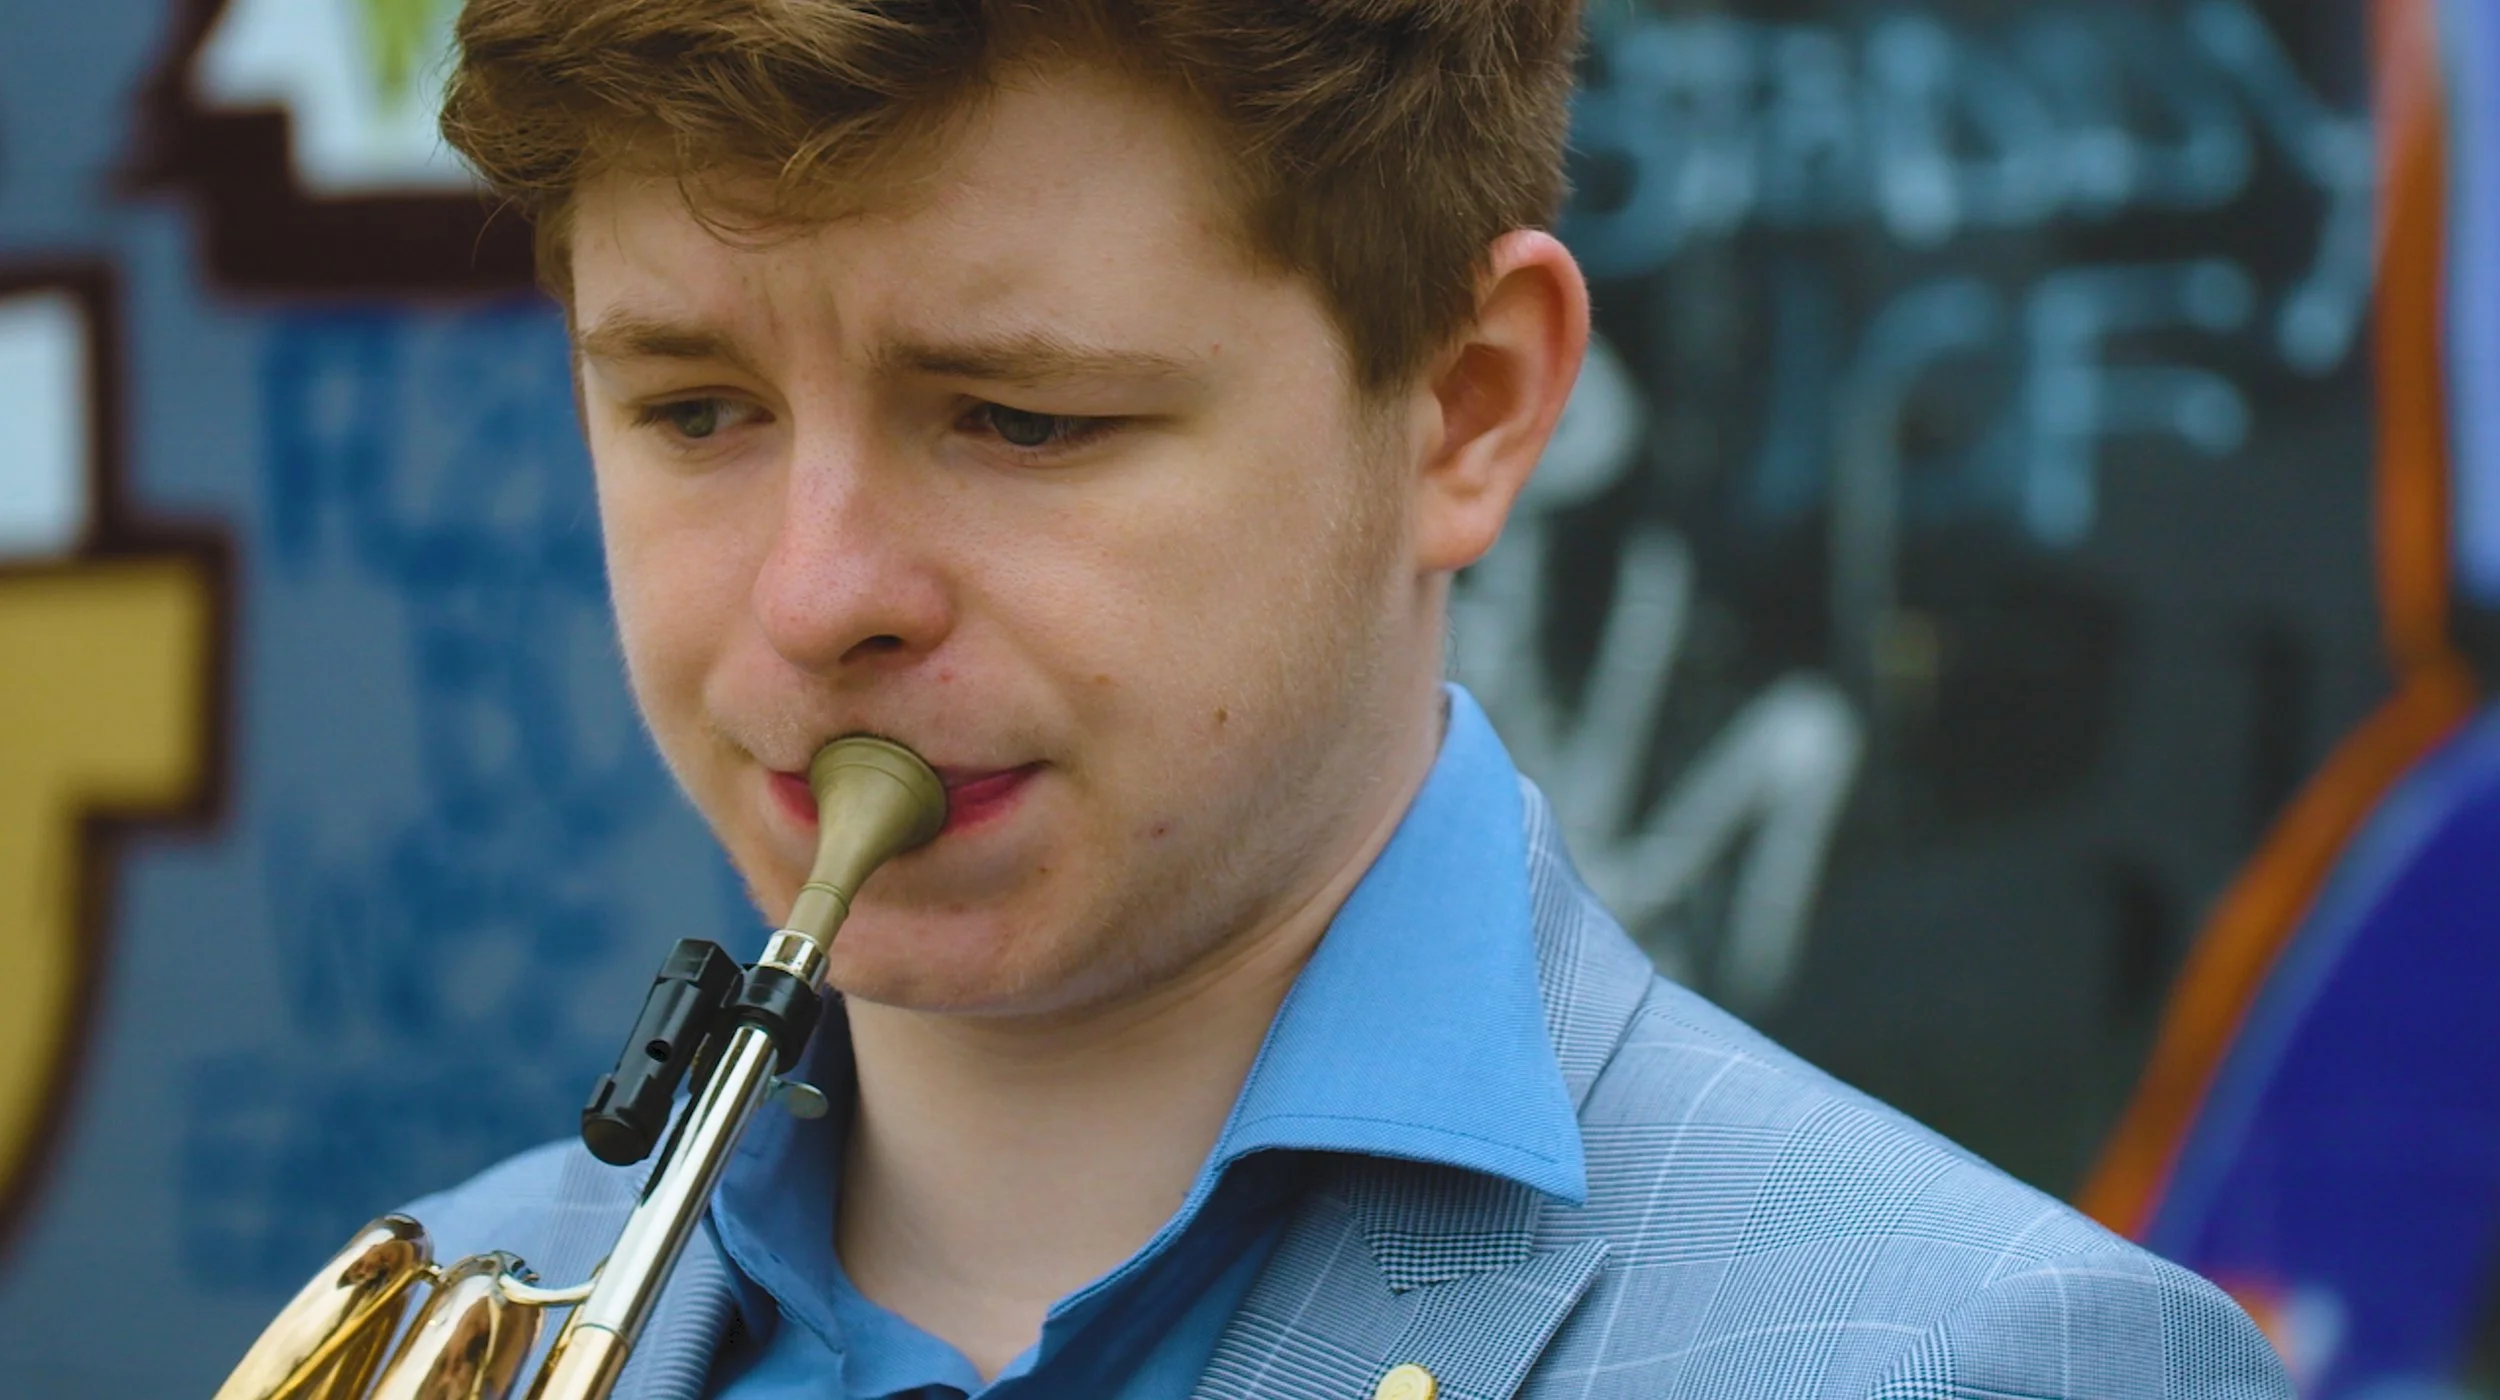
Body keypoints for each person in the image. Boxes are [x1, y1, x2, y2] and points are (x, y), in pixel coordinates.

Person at [404, 2, 2293, 1396]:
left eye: (1023, 416)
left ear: (1466, 408)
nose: (816, 601)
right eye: (691, 411)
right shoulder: (445, 1317)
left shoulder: (1980, 1360)